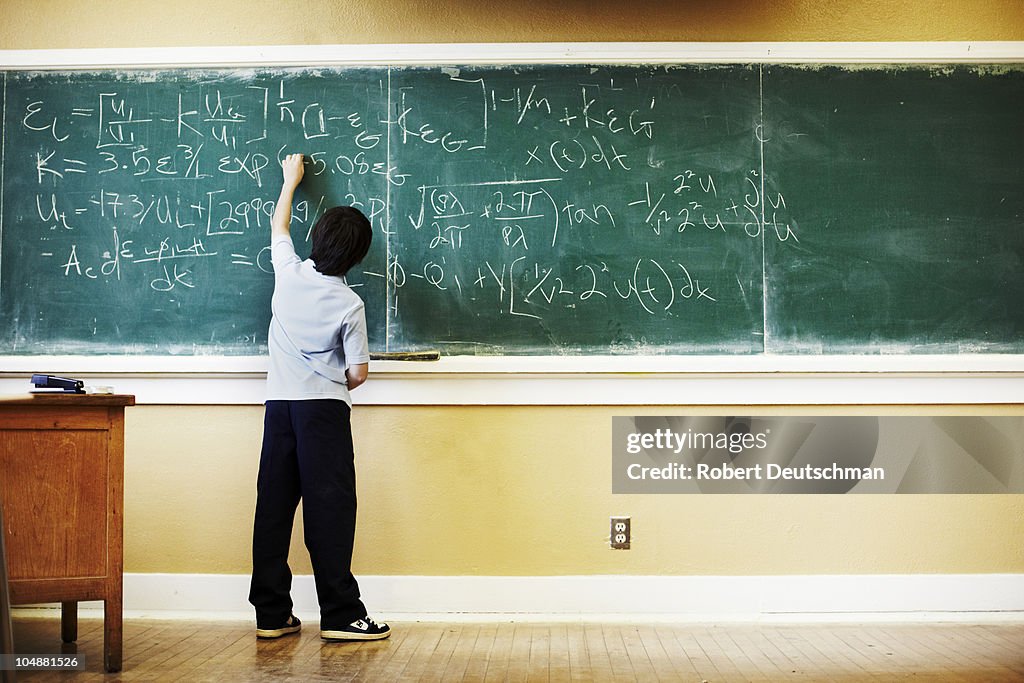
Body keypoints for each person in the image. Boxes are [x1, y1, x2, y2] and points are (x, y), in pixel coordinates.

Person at [248, 153, 389, 642]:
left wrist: (290, 181)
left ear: (317, 240)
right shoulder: (350, 303)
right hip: (324, 413)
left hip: (278, 408)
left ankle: (271, 613)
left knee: (273, 506)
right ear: (356, 258)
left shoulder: (286, 274)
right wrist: (336, 379)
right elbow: (359, 373)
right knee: (329, 509)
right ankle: (340, 614)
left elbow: (278, 223)